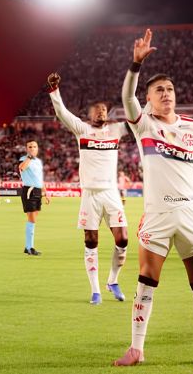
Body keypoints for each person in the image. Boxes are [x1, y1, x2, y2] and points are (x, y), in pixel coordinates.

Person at [115, 28, 193, 368]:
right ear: (148, 98)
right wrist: (136, 64)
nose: (166, 94)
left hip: (191, 213)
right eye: (159, 90)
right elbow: (127, 97)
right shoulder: (143, 125)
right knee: (146, 281)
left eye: (170, 89)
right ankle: (136, 349)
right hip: (158, 214)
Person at [47, 72, 129, 305]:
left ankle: (112, 280)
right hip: (90, 194)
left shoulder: (116, 130)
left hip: (111, 193)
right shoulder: (82, 130)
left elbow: (137, 119)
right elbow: (62, 112)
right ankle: (95, 291)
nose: (101, 112)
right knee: (91, 241)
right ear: (90, 114)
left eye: (104, 109)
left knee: (123, 239)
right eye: (97, 109)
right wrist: (54, 90)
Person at [19, 140, 48, 256]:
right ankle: (29, 247)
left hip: (37, 191)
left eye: (34, 146)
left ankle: (28, 247)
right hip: (29, 191)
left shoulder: (39, 162)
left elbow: (39, 178)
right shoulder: (24, 159)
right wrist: (29, 157)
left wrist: (45, 192)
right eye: (30, 147)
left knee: (33, 219)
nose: (32, 148)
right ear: (27, 149)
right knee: (32, 219)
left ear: (37, 148)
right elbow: (22, 168)